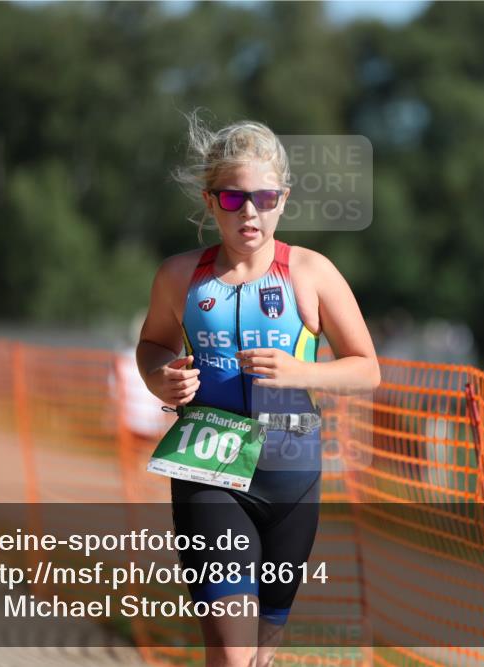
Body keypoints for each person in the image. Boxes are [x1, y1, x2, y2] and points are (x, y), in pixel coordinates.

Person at [136, 112, 380, 667]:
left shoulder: (311, 273)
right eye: (232, 199)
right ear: (209, 201)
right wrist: (162, 377)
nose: (250, 211)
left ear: (283, 200)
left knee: (260, 653)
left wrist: (304, 374)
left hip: (291, 478)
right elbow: (152, 345)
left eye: (265, 198)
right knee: (229, 646)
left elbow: (367, 368)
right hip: (209, 472)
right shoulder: (179, 277)